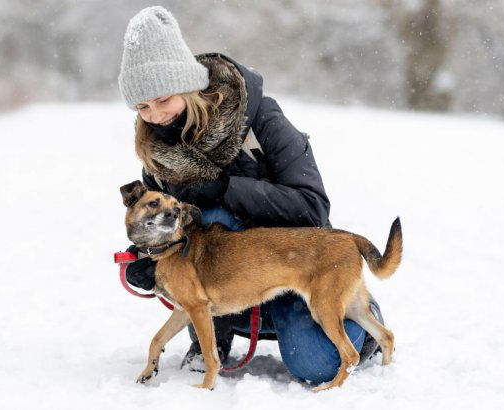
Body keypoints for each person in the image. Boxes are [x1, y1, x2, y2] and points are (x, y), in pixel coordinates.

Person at [118, 6, 384, 385]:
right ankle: (213, 338)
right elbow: (157, 221)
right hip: (225, 289)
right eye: (142, 107)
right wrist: (144, 259)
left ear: (189, 86)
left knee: (316, 365)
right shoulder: (157, 153)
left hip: (298, 263)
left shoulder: (260, 118)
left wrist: (226, 189)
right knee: (203, 226)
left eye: (163, 99)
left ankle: (357, 308)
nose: (155, 115)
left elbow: (312, 206)